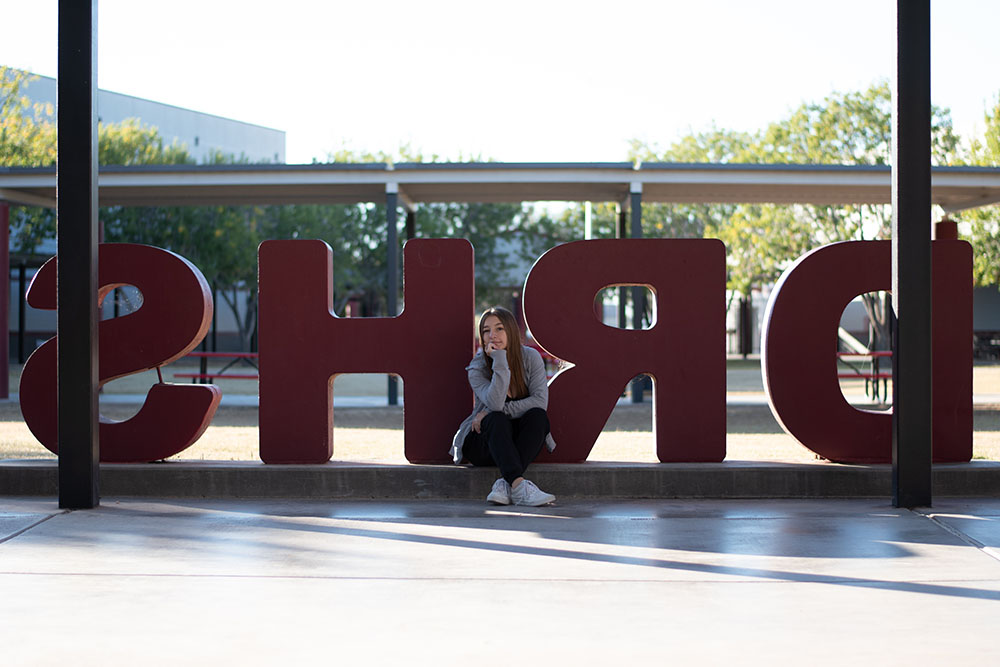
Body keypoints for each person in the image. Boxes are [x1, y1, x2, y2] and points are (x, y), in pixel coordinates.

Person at [451, 306, 557, 506]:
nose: (492, 335)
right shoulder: (477, 367)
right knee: (496, 419)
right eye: (486, 331)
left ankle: (506, 483)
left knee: (537, 417)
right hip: (483, 443)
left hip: (517, 444)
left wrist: (488, 412)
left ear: (511, 330)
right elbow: (496, 404)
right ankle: (519, 485)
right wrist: (499, 360)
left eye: (499, 328)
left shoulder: (530, 358)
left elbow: (540, 402)